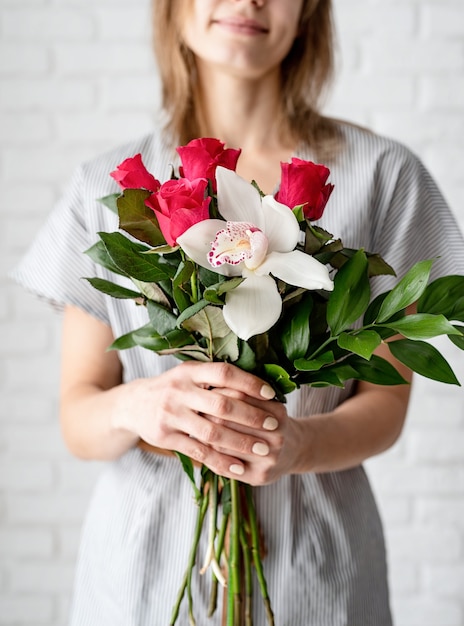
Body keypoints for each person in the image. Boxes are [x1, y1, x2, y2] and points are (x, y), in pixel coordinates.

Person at [11, 0, 464, 624]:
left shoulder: (384, 177)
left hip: (316, 572)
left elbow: (384, 407)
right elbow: (78, 413)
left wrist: (297, 445)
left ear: (307, 12)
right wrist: (140, 407)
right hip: (147, 568)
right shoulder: (107, 191)